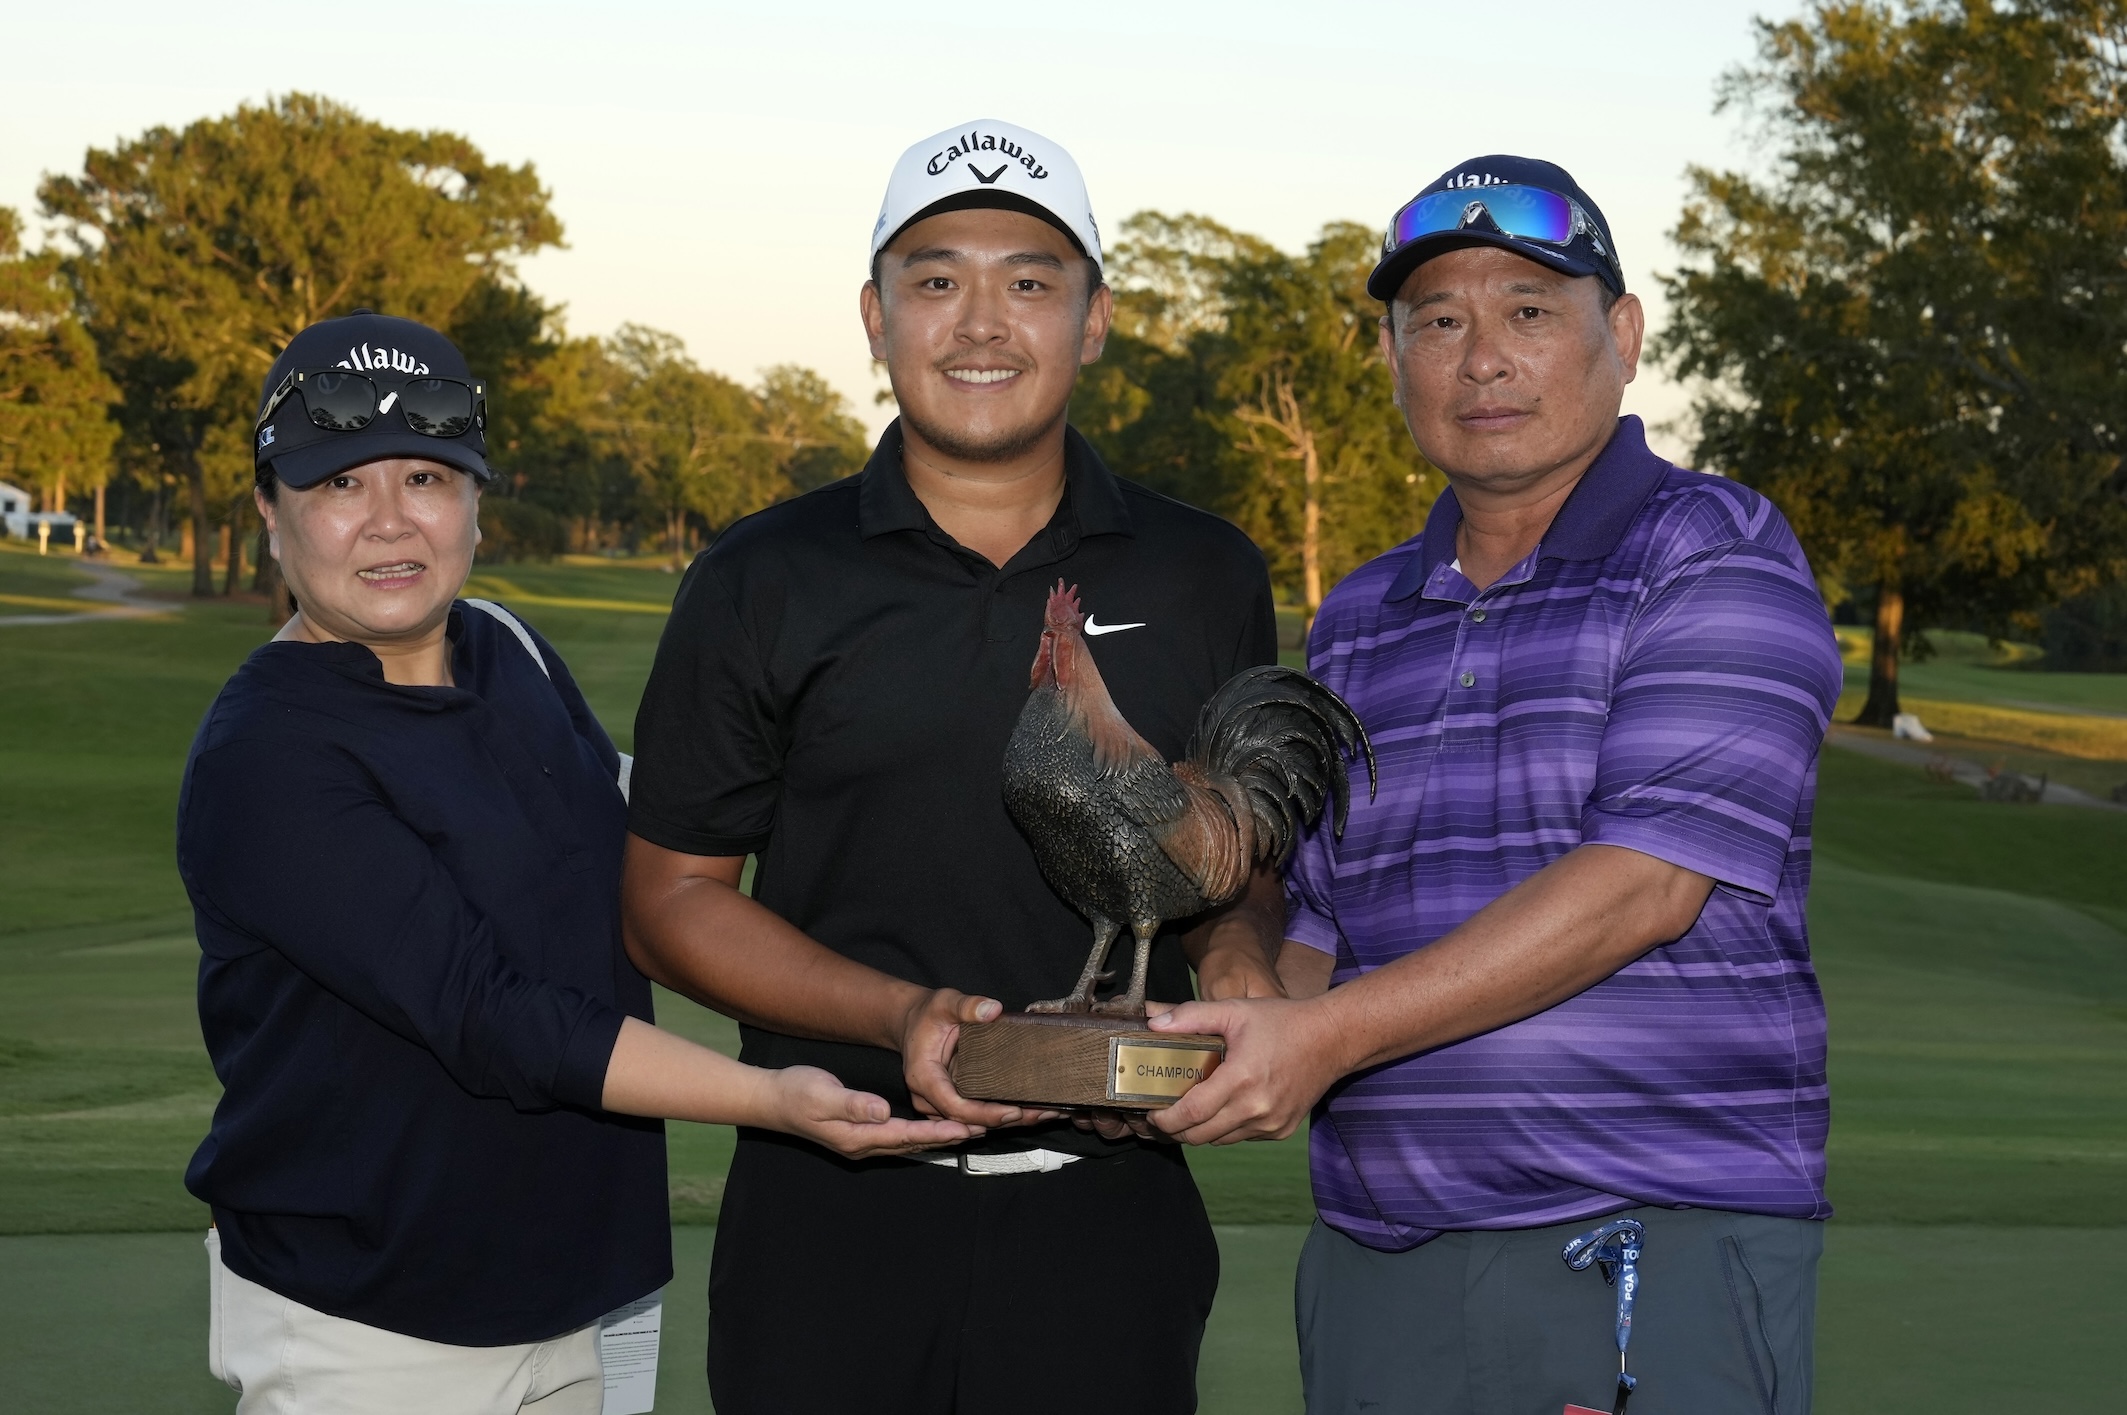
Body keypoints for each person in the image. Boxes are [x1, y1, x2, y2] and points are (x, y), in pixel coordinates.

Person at [1147, 156, 1845, 1415]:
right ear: (1394, 355)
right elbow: (1311, 919)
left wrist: (1320, 1039)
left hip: (1647, 1236)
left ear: (1621, 335)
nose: (1481, 358)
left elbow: (1642, 886)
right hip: (1379, 1258)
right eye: (1439, 320)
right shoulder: (1359, 618)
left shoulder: (1714, 550)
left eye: (1530, 309)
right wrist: (1237, 1003)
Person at [179, 311, 965, 1415]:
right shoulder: (268, 754)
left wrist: (885, 811)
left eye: (426, 477)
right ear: (270, 509)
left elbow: (646, 825)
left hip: (584, 1287)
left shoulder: (507, 646)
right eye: (341, 485)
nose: (392, 522)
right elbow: (491, 1014)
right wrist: (769, 1098)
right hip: (376, 1319)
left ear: (475, 497)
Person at [622, 119, 1285, 1415]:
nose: (980, 320)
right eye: (935, 279)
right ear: (874, 317)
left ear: (1092, 318)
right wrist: (898, 1015)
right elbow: (669, 898)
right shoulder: (763, 575)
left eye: (1029, 280)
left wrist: (1243, 963)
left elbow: (1238, 866)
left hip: (1113, 1222)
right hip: (827, 1218)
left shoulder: (1201, 570)